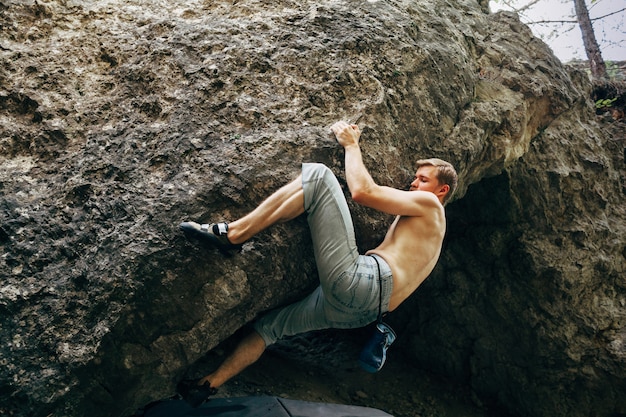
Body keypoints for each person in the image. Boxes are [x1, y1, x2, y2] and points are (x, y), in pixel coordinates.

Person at [178, 120, 458, 406]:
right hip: (359, 313)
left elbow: (364, 192)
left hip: (363, 283)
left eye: (423, 179)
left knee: (321, 175)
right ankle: (206, 385)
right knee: (269, 329)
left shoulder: (431, 206)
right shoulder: (431, 231)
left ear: (441, 191)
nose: (414, 182)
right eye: (415, 177)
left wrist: (351, 144)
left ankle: (233, 235)